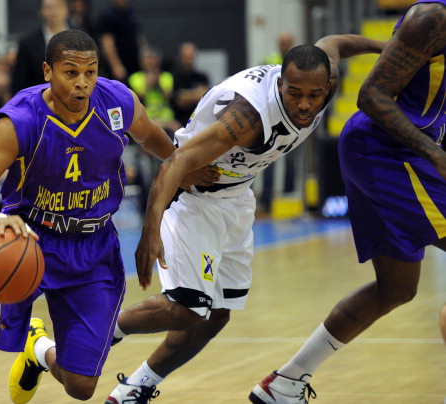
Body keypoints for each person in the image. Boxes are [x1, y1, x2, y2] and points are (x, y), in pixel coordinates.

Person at [0, 29, 217, 404]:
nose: (82, 83)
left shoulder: (117, 102)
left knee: (80, 388)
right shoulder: (20, 120)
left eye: (90, 72)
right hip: (30, 239)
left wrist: (181, 168)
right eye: (71, 72)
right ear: (48, 71)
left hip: (94, 247)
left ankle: (38, 347)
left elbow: (150, 136)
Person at [103, 33, 384, 404]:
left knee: (217, 315)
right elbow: (178, 161)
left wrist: (390, 48)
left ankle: (132, 388)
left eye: (313, 95)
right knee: (186, 308)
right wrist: (150, 230)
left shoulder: (322, 77)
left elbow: (334, 42)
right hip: (193, 197)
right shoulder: (249, 117)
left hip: (236, 198)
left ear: (328, 85)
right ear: (280, 84)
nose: (303, 104)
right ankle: (97, 331)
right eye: (294, 93)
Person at [249, 2, 446, 403]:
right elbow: (370, 95)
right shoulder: (431, 20)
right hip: (386, 151)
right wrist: (434, 151)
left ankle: (285, 383)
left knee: (395, 289)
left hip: (408, 151)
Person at [259, 31, 295, 216]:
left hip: (292, 120)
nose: (284, 47)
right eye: (282, 43)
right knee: (267, 160)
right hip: (272, 118)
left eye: (287, 43)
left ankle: (288, 198)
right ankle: (266, 201)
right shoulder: (270, 60)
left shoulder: (298, 63)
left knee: (290, 162)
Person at [11, 0, 70, 94]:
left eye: (58, 6)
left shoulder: (83, 38)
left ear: (67, 9)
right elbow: (20, 82)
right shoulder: (28, 43)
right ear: (41, 11)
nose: (54, 11)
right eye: (49, 7)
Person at [95, 0, 145, 83]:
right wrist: (116, 65)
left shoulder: (131, 12)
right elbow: (107, 41)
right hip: (120, 64)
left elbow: (137, 36)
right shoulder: (107, 15)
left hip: (133, 62)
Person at [171, 41, 209, 127]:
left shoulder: (202, 77)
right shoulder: (174, 77)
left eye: (191, 57)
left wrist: (186, 95)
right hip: (179, 121)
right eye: (186, 57)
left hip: (199, 121)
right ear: (181, 57)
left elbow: (206, 97)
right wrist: (196, 94)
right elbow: (179, 100)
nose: (189, 60)